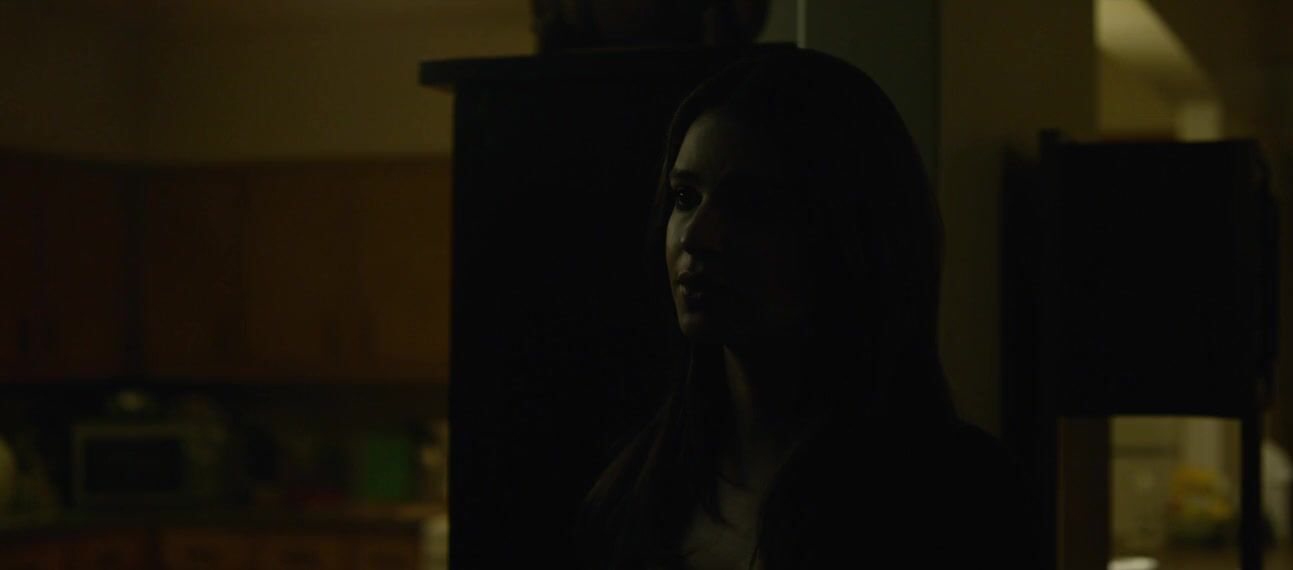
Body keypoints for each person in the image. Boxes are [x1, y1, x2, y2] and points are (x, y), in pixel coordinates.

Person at [574, 49, 1042, 569]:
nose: (697, 236)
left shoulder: (961, 499)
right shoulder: (635, 492)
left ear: (847, 234)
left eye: (751, 204)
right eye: (685, 196)